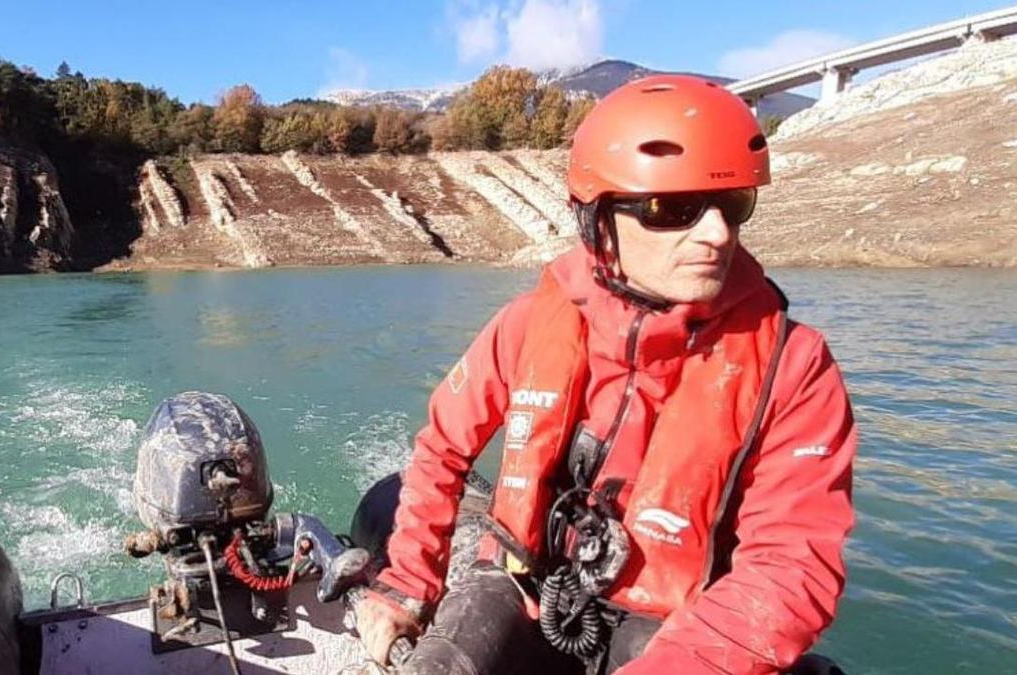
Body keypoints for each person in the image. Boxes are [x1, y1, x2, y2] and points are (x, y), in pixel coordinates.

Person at [354, 74, 856, 675]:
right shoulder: (529, 324)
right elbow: (442, 449)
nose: (717, 234)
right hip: (523, 584)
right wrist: (408, 583)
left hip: (681, 625)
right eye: (673, 209)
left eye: (733, 204)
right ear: (598, 222)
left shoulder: (794, 367)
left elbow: (789, 566)